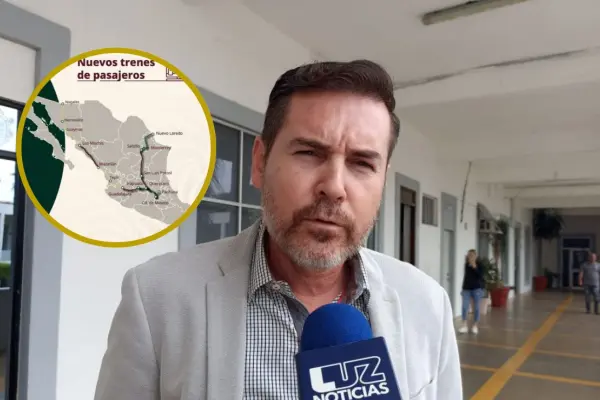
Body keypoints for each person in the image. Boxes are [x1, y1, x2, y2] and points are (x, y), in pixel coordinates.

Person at [94, 60, 462, 400]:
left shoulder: (427, 305)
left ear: (382, 181)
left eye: (362, 163)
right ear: (260, 162)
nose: (334, 187)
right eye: (309, 153)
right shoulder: (156, 298)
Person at [458, 249, 485, 335]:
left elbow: (480, 276)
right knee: (464, 307)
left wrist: (475, 267)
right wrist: (463, 289)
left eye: (472, 255)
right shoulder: (466, 265)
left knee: (476, 307)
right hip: (466, 289)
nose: (470, 257)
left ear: (476, 256)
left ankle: (475, 325)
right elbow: (467, 277)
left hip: (477, 289)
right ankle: (464, 325)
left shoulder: (480, 264)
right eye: (469, 255)